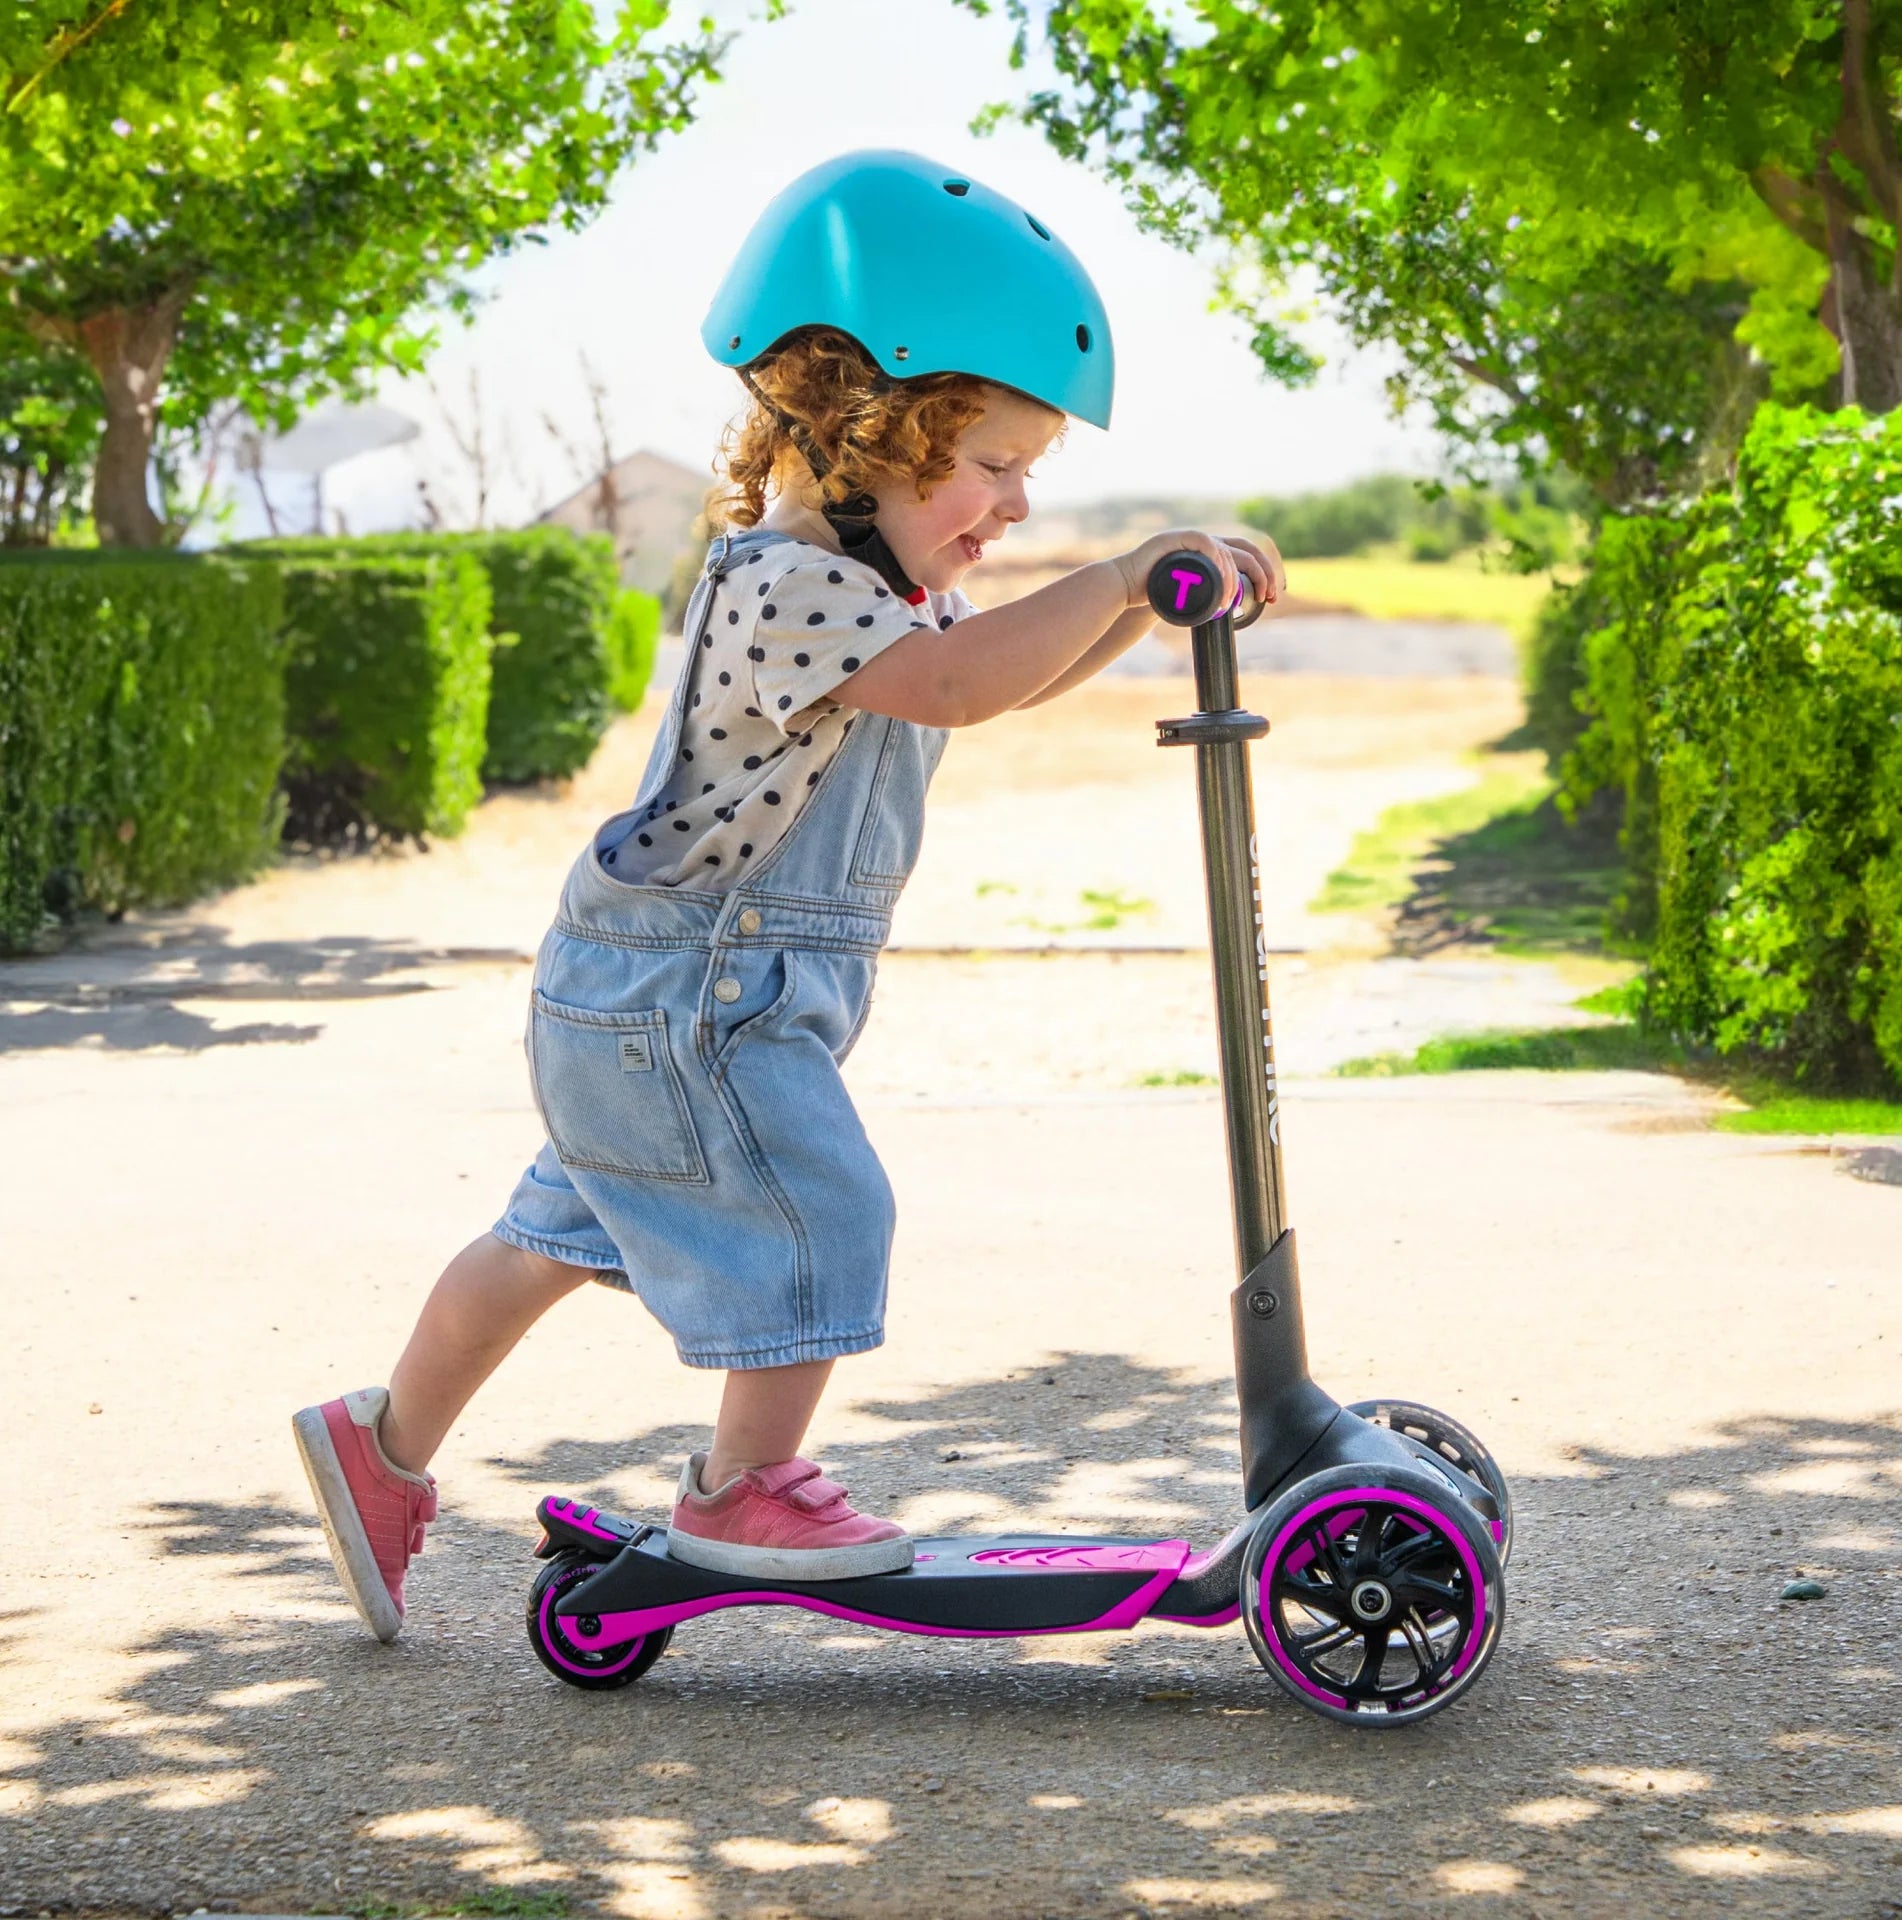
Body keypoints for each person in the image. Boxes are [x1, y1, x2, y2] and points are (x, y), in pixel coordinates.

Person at [292, 150, 1280, 1643]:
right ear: (870, 434)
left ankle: (379, 1450)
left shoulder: (884, 591)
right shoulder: (788, 587)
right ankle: (741, 1489)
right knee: (825, 1208)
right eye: (996, 463)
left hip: (654, 997)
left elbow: (989, 679)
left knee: (551, 1241)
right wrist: (1130, 575)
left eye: (1029, 473)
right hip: (695, 1005)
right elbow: (955, 689)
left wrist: (1148, 598)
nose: (1015, 503)